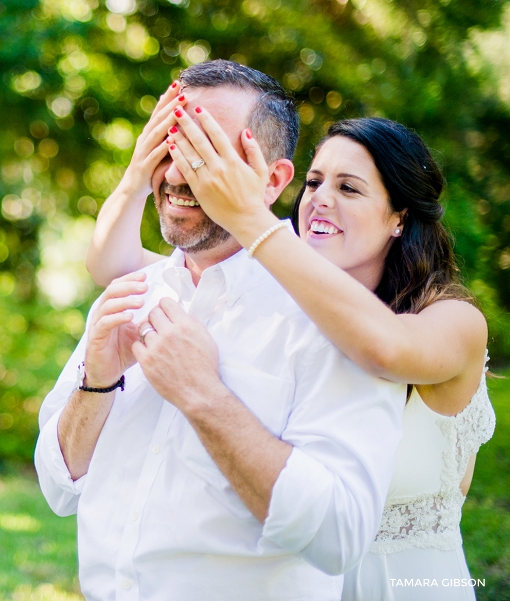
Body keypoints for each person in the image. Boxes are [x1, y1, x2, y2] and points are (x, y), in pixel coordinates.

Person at [86, 78, 496, 598]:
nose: (319, 200)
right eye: (315, 182)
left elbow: (383, 349)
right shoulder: (277, 299)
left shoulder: (454, 319)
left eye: (348, 188)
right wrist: (138, 176)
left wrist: (248, 214)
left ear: (399, 217)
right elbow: (113, 263)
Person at [34, 59, 406, 601]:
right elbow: (57, 487)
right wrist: (95, 384)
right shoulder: (128, 296)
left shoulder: (332, 318)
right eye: (171, 145)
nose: (179, 174)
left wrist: (204, 396)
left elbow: (340, 536)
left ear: (274, 180)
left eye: (206, 152)